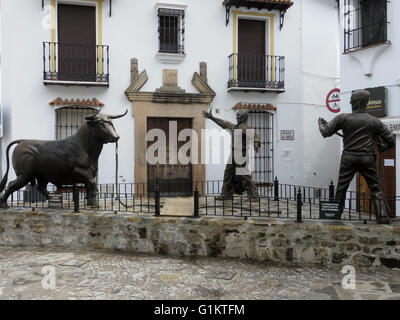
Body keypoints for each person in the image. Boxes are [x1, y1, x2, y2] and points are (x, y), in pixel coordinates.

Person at [318, 89, 395, 224]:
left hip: (348, 157)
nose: (349, 102)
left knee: (342, 187)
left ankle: (335, 215)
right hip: (367, 158)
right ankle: (382, 216)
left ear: (355, 102)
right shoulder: (374, 121)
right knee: (376, 187)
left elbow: (326, 132)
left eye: (351, 100)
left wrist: (321, 124)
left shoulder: (343, 118)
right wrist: (383, 148)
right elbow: (391, 141)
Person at [202, 109, 261, 200]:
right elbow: (223, 123)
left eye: (239, 116)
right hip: (233, 153)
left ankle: (253, 196)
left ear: (243, 118)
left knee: (244, 175)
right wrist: (212, 117)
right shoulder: (233, 127)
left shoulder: (246, 128)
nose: (237, 118)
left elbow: (255, 136)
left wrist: (256, 144)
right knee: (228, 174)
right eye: (237, 116)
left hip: (241, 153)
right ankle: (226, 194)